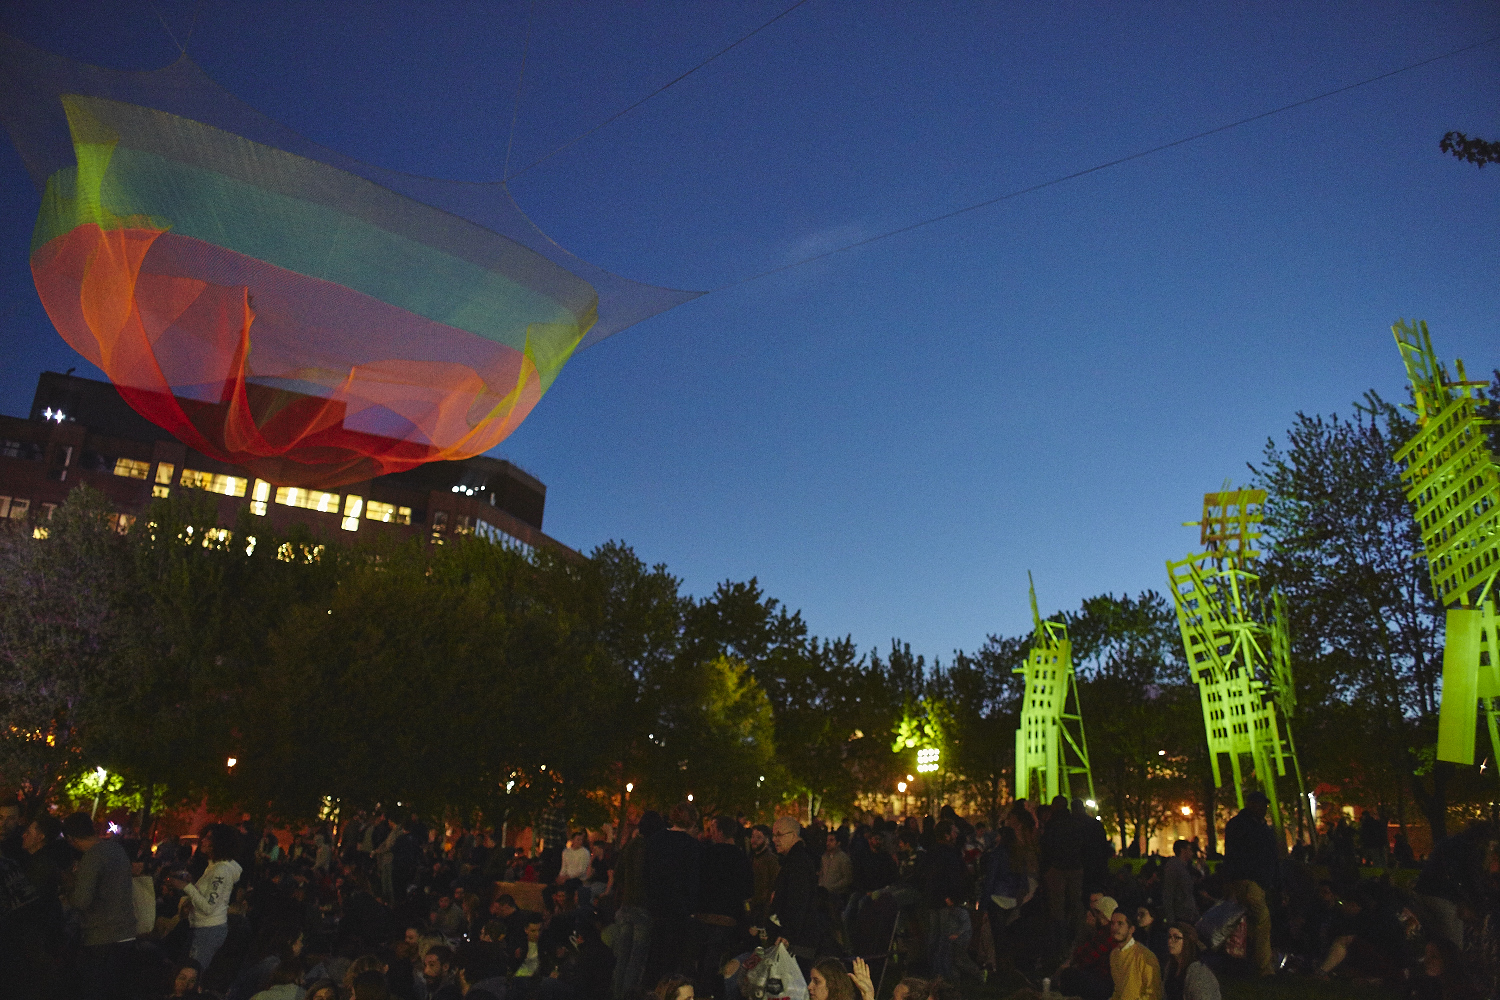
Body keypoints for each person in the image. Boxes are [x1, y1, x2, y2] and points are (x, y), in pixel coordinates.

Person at [64, 810, 137, 999]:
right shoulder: (116, 849)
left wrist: (70, 888)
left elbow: (81, 900)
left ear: (71, 839)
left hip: (102, 937)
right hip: (126, 933)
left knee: (93, 990)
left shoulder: (92, 856)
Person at [167, 823, 244, 973]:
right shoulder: (214, 867)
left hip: (207, 931)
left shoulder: (221, 871)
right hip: (203, 928)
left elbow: (209, 906)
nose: (203, 841)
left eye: (209, 838)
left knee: (193, 974)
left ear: (219, 843)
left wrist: (186, 887)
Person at [645, 801, 703, 980]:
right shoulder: (692, 847)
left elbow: (647, 873)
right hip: (680, 911)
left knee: (655, 958)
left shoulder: (655, 841)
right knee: (675, 960)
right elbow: (693, 881)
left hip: (656, 908)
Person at [919, 819, 980, 981]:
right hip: (945, 901)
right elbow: (950, 877)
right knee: (944, 938)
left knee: (935, 937)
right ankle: (943, 974)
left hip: (934, 899)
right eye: (953, 831)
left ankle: (936, 971)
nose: (956, 834)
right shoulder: (948, 854)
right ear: (946, 836)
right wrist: (951, 897)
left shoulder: (933, 852)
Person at [612, 812, 659, 999]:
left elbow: (617, 875)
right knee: (636, 959)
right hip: (642, 907)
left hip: (626, 905)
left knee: (622, 957)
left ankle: (617, 994)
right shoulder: (649, 848)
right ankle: (628, 995)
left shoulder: (630, 846)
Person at [766, 816, 819, 959]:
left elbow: (797, 901)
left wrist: (787, 934)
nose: (774, 839)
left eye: (779, 835)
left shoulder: (798, 863)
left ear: (793, 835)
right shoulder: (793, 861)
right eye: (773, 835)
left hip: (797, 942)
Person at [1057, 895, 1119, 1000]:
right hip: (1100, 977)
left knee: (1069, 974)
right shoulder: (1102, 932)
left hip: (1104, 983)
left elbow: (1086, 957)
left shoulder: (1106, 934)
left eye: (1095, 914)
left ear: (1102, 915)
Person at [1107, 907, 1163, 1000]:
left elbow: (1153, 995)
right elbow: (1118, 990)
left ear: (1131, 929)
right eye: (1112, 923)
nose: (1114, 927)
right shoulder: (1114, 955)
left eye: (1120, 923)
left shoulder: (1145, 956)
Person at [1162, 923, 1219, 1000]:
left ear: (1187, 940)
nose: (1170, 941)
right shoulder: (1171, 967)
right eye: (1169, 937)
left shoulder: (1198, 971)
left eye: (1176, 937)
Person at [1161, 840, 1199, 926]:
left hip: (1187, 913)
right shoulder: (1174, 868)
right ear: (1183, 850)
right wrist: (1171, 919)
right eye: (1189, 849)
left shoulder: (1184, 867)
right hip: (1181, 914)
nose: (1192, 853)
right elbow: (1168, 893)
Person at [749, 824, 780, 927]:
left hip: (764, 909)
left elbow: (774, 885)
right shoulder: (753, 858)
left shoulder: (771, 860)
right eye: (753, 836)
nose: (754, 840)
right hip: (754, 907)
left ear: (767, 840)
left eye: (758, 837)